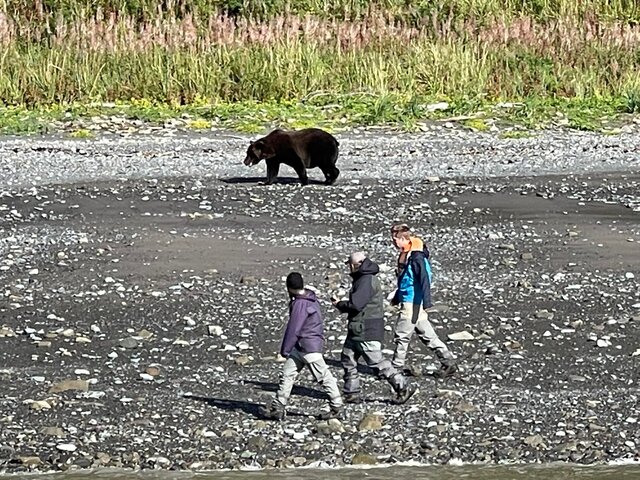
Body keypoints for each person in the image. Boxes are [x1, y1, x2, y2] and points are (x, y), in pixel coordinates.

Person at [332, 252, 417, 405]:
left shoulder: (366, 280)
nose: (349, 268)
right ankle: (351, 392)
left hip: (366, 328)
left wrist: (340, 304)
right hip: (358, 329)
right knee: (347, 358)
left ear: (355, 265)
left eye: (350, 265)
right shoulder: (365, 278)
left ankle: (403, 386)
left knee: (377, 363)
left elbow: (356, 305)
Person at [259, 272, 343, 421]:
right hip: (304, 345)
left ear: (289, 288)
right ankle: (278, 407)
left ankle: (337, 406)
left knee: (323, 376)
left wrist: (285, 350)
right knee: (288, 374)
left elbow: (294, 328)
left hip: (307, 345)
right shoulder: (311, 298)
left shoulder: (299, 303)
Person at [390, 223, 457, 378]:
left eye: (394, 240)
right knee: (428, 335)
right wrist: (397, 296)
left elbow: (424, 279)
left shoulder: (416, 257)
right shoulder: (411, 254)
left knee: (402, 335)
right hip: (414, 301)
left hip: (411, 302)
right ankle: (448, 362)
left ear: (402, 239)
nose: (393, 244)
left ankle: (395, 368)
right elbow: (408, 279)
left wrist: (427, 301)